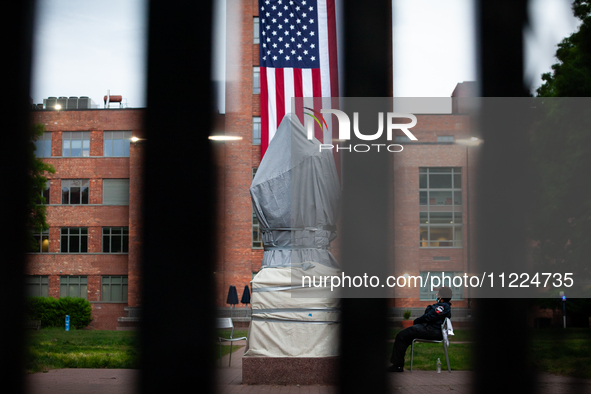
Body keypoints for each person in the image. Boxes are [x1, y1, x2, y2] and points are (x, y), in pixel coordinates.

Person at [387, 286, 453, 372]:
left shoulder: (442, 307)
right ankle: (398, 364)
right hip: (431, 329)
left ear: (441, 296)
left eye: (438, 294)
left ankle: (398, 365)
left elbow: (429, 317)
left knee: (401, 335)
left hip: (432, 331)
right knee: (405, 337)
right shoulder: (443, 306)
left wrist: (416, 321)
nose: (437, 295)